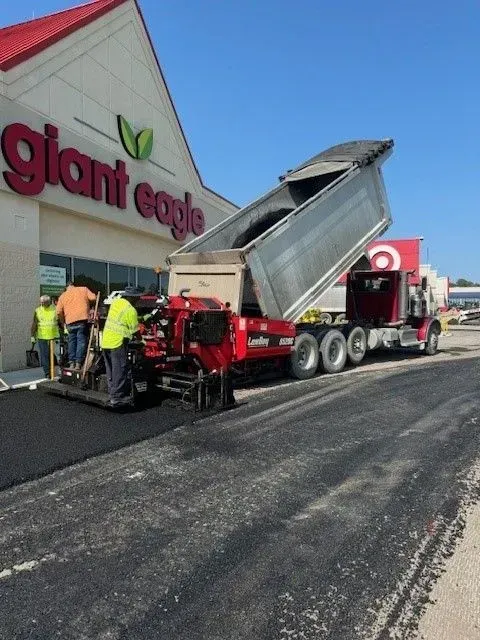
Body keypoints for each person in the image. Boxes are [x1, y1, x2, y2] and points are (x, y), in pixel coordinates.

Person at [101, 286, 143, 407]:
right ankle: (118, 397)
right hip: (117, 343)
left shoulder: (116, 303)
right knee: (120, 370)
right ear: (131, 297)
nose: (138, 300)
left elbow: (121, 319)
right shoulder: (131, 310)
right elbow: (135, 332)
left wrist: (142, 318)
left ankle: (112, 393)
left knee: (111, 370)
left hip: (106, 341)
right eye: (137, 298)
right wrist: (143, 341)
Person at [56, 281, 97, 370]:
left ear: (66, 287)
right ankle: (78, 363)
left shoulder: (63, 296)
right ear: (73, 285)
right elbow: (94, 297)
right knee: (81, 342)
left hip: (70, 322)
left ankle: (71, 363)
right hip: (82, 320)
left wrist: (64, 322)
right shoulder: (83, 289)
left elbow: (58, 312)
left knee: (72, 342)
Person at [31, 295, 61, 378]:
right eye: (41, 302)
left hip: (54, 336)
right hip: (42, 337)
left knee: (57, 354)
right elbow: (34, 324)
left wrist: (64, 330)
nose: (42, 304)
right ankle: (47, 373)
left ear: (49, 302)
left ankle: (59, 370)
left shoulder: (54, 309)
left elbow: (60, 321)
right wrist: (32, 336)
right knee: (44, 356)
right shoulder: (38, 310)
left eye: (44, 303)